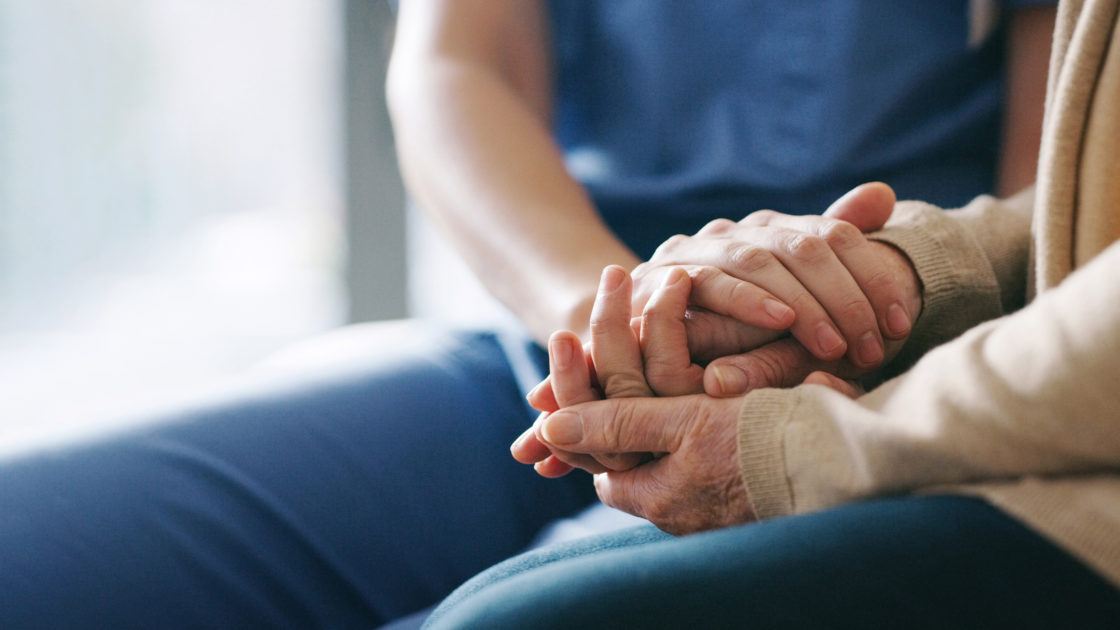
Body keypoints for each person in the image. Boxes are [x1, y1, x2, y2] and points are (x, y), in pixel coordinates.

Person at [0, 1, 1055, 627]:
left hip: (853, 382)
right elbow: (457, 63)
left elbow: (1051, 203)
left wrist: (857, 342)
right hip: (544, 337)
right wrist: (610, 323)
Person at [422, 0, 1120, 627]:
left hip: (906, 373)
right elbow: (453, 65)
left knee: (499, 618)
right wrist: (906, 269)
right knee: (316, 496)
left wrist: (801, 442)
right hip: (596, 324)